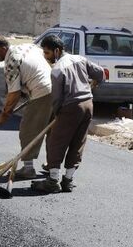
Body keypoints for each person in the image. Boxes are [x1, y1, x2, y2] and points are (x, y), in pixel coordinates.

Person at [33, 34, 106, 194]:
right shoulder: (80, 59)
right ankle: (68, 180)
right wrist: (95, 83)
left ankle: (52, 181)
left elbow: (57, 99)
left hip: (71, 107)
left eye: (47, 53)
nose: (46, 57)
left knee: (56, 142)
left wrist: (58, 114)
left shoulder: (57, 70)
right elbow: (101, 73)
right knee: (78, 142)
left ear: (57, 50)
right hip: (88, 105)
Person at [0, 35, 53, 180]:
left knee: (28, 129)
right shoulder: (27, 46)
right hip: (56, 88)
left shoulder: (11, 63)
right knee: (51, 130)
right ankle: (53, 166)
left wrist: (5, 113)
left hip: (42, 92)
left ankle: (28, 169)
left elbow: (14, 94)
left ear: (4, 48)